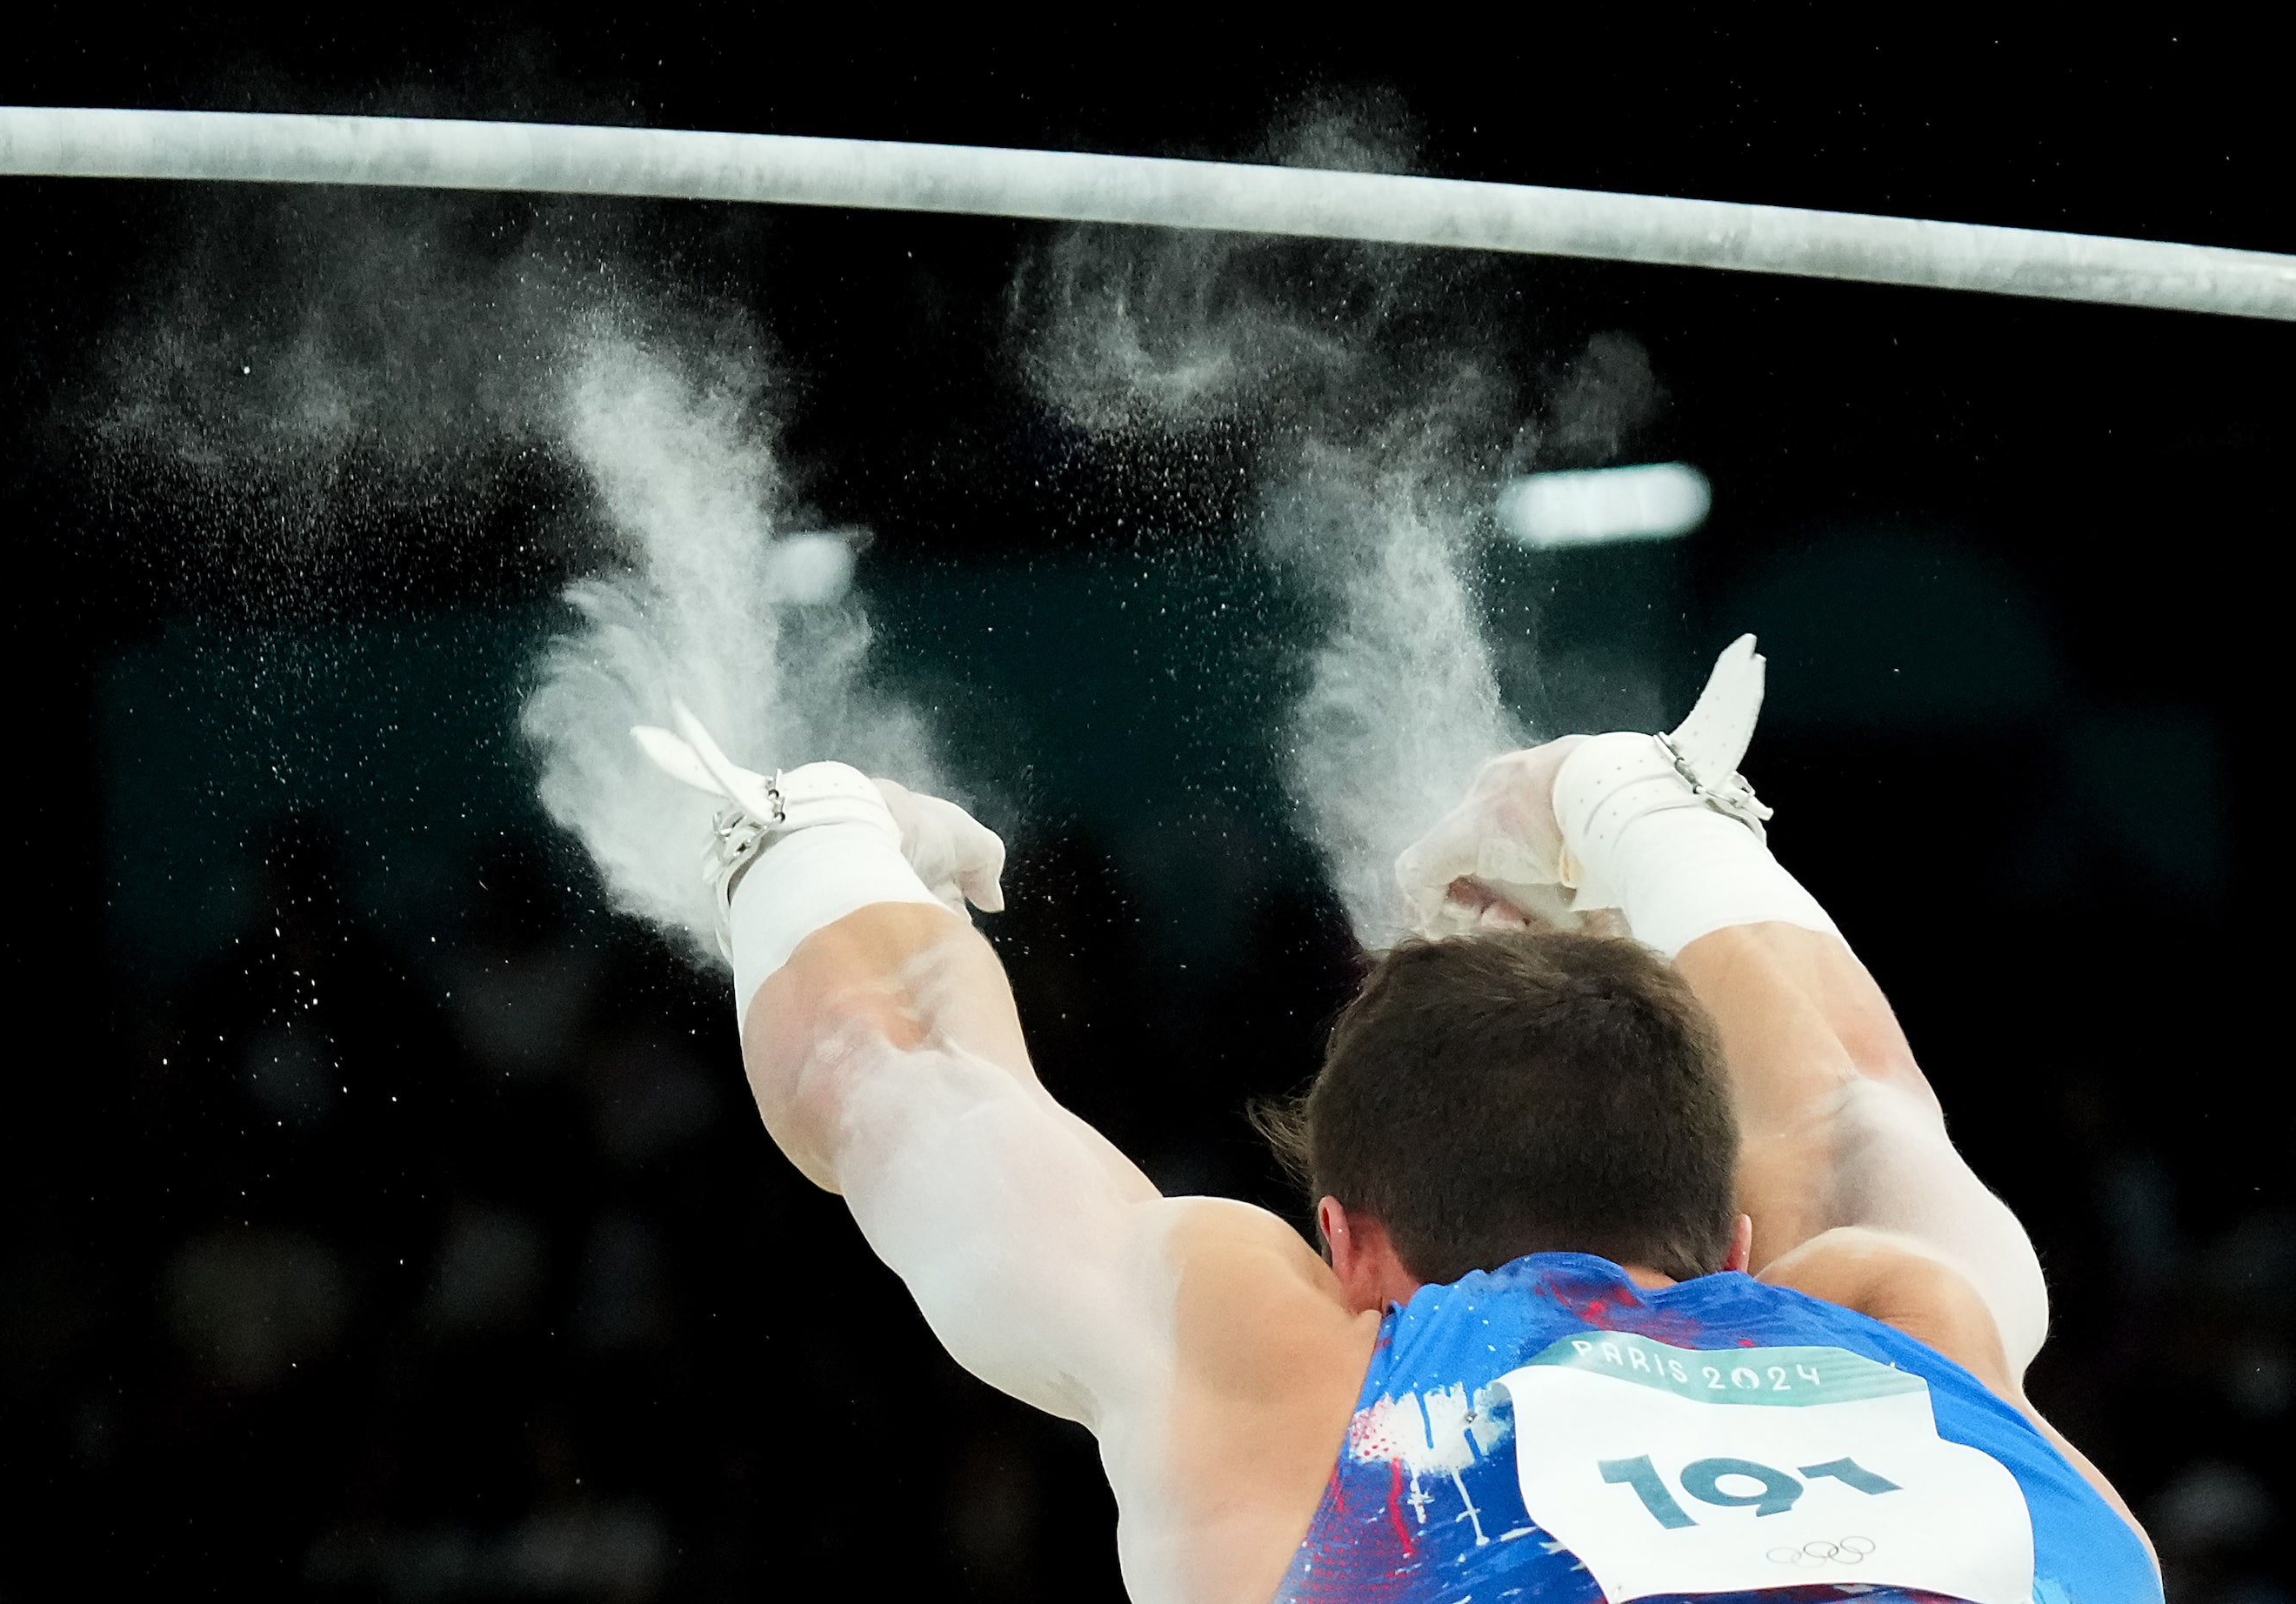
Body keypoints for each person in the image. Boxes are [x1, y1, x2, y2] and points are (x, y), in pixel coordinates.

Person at [632, 636, 2160, 1604]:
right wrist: (1637, 805)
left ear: (1346, 1248)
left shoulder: (1276, 1369)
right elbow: (1848, 1097)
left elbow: (891, 1074)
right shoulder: (1912, 1326)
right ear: (1735, 1245)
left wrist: (815, 841)